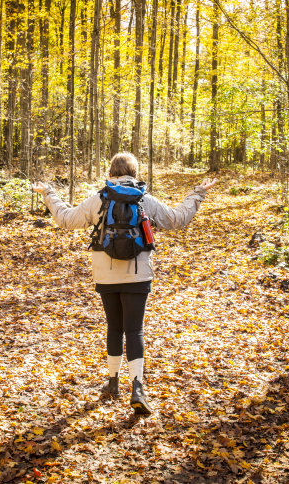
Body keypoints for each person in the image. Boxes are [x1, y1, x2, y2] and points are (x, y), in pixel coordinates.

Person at [32, 152, 217, 415]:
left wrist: (48, 193)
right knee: (135, 330)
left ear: (111, 172)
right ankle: (138, 387)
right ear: (134, 172)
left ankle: (112, 382)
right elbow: (177, 219)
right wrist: (198, 193)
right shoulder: (144, 200)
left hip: (106, 275)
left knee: (114, 327)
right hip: (138, 274)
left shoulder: (100, 198)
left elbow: (66, 219)